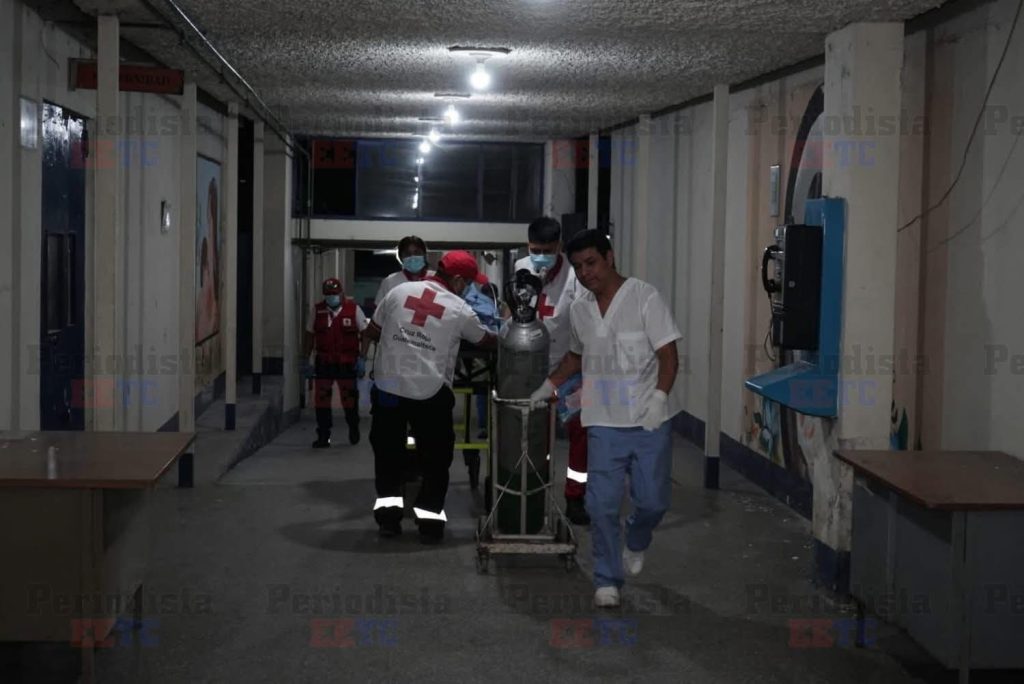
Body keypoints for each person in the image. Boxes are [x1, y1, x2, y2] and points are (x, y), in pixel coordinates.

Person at [529, 230, 681, 608]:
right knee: (601, 507)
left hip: (648, 420)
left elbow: (668, 355)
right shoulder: (580, 309)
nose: (586, 273)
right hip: (602, 421)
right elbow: (576, 356)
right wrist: (548, 386)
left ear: (609, 257)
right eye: (578, 267)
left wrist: (660, 397)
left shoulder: (644, 297)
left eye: (591, 263)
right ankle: (607, 578)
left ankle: (637, 538)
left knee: (653, 502)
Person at [363, 250, 497, 544]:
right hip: (429, 393)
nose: (468, 289)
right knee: (436, 460)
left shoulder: (399, 292)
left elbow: (372, 330)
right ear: (458, 280)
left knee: (387, 456)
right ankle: (429, 524)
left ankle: (388, 521)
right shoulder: (459, 309)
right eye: (468, 283)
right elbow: (486, 340)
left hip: (388, 388)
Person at [514, 217, 590, 525]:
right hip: (531, 367)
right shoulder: (521, 267)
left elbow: (584, 324)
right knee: (531, 433)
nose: (540, 256)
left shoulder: (576, 276)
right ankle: (531, 489)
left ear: (559, 246)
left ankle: (576, 496)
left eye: (547, 250)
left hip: (569, 367)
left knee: (580, 432)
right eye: (535, 250)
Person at [304, 277, 368, 448]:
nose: (331, 297)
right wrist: (305, 359)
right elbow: (310, 335)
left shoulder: (353, 309)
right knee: (322, 402)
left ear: (341, 293)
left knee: (349, 400)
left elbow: (365, 334)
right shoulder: (317, 310)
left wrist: (362, 358)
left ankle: (353, 427)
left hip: (347, 363)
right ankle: (323, 436)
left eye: (334, 293)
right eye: (328, 294)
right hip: (324, 362)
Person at [374, 235, 432, 306]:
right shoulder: (390, 282)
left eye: (417, 253)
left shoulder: (436, 279)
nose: (412, 257)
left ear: (424, 255)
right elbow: (379, 309)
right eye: (407, 254)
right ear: (401, 258)